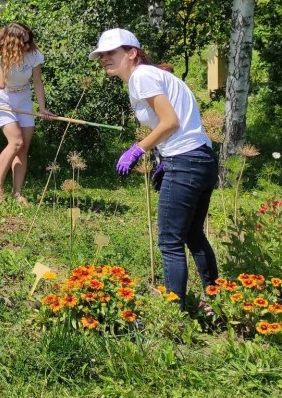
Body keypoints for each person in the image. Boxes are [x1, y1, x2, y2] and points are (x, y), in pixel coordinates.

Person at [90, 28, 218, 307]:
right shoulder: (156, 75)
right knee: (193, 234)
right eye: (102, 55)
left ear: (132, 53)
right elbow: (178, 123)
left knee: (170, 241)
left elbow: (170, 121)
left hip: (185, 161)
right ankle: (215, 299)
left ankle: (174, 309)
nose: (105, 59)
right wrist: (162, 157)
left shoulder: (142, 76)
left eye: (112, 53)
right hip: (200, 157)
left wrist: (139, 149)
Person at [0, 23, 54, 205]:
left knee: (23, 147)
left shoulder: (33, 54)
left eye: (28, 41)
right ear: (11, 43)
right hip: (3, 99)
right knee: (16, 142)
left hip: (23, 97)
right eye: (22, 43)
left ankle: (17, 193)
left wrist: (42, 107)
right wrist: (2, 61)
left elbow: (37, 81)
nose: (27, 45)